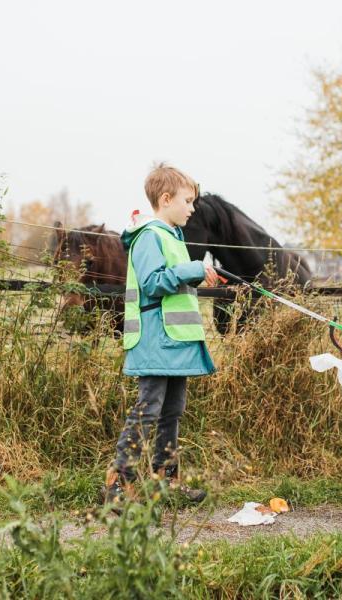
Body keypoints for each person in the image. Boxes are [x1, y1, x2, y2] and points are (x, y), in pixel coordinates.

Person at [102, 163, 220, 506]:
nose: (192, 208)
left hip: (176, 343)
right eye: (187, 200)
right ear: (165, 199)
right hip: (156, 340)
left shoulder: (171, 236)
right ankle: (119, 483)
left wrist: (195, 274)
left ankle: (166, 479)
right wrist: (192, 269)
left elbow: (174, 280)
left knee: (172, 411)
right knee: (148, 409)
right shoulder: (148, 236)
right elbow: (154, 282)